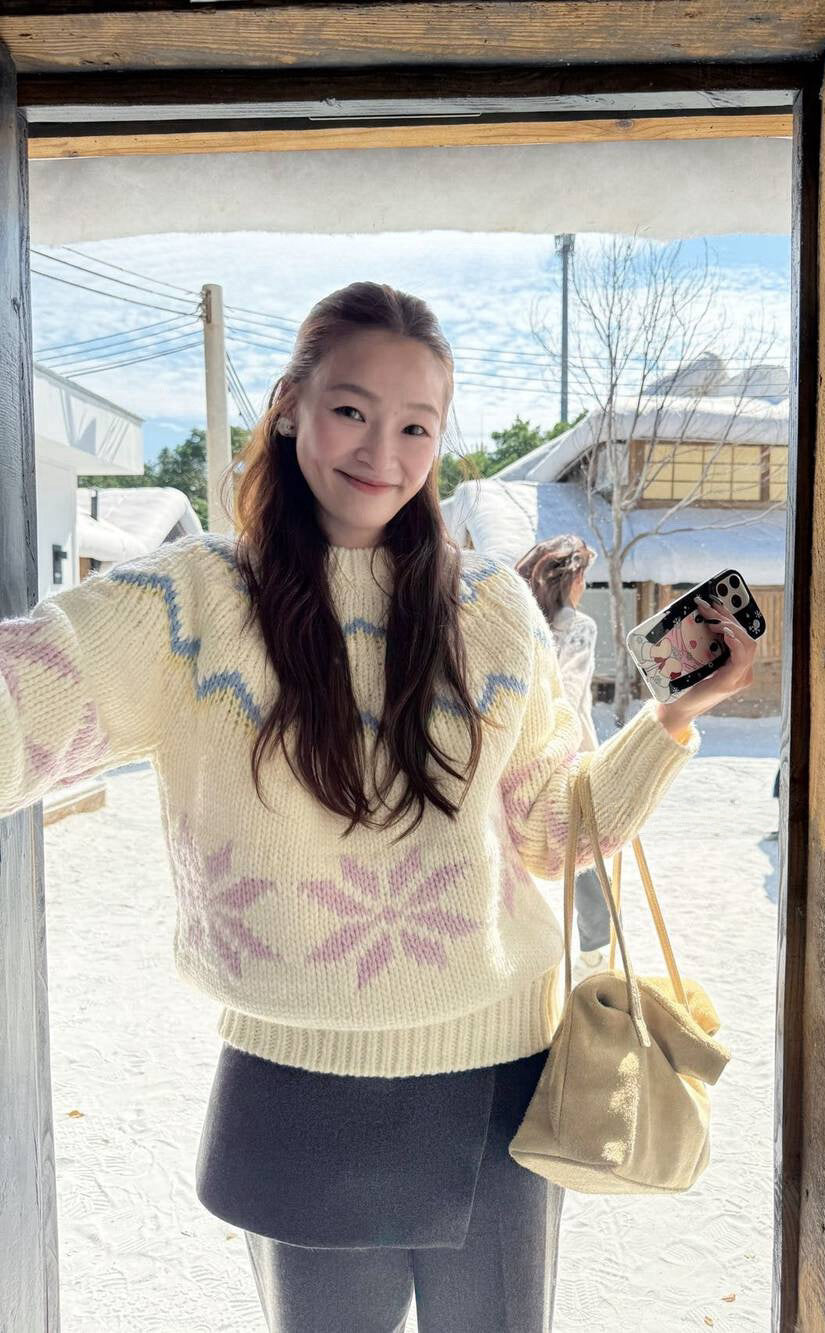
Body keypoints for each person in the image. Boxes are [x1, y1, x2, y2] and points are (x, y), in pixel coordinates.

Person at [0, 281, 758, 1333]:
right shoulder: (187, 604)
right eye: (352, 410)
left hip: (498, 1077)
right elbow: (25, 701)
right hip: (298, 1082)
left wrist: (678, 713)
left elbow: (552, 830)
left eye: (416, 426)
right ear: (288, 405)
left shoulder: (490, 608)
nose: (382, 452)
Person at [515, 534, 612, 980]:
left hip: (518, 755)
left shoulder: (517, 620)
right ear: (571, 578)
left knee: (517, 861)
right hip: (570, 757)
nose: (584, 586)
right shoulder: (578, 627)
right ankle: (594, 965)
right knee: (586, 862)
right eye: (583, 576)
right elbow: (570, 697)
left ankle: (528, 961)